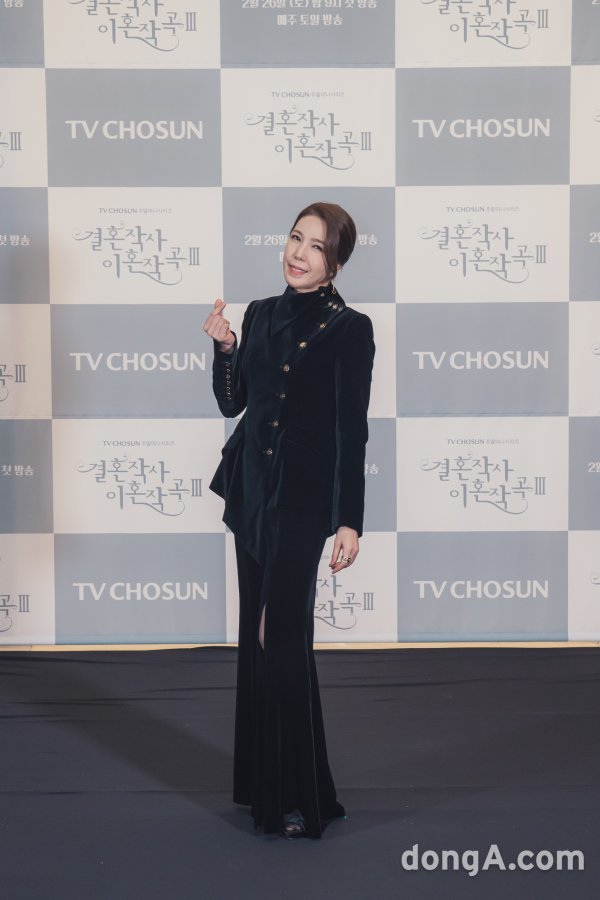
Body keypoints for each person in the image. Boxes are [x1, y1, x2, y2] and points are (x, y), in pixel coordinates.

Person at [203, 202, 376, 840]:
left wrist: (349, 520)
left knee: (281, 638)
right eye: (295, 238)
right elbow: (234, 403)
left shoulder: (350, 329)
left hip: (302, 503)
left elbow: (351, 431)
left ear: (336, 263)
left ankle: (302, 797)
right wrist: (226, 347)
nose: (298, 254)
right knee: (258, 639)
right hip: (252, 492)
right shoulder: (259, 313)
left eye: (316, 246)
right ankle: (263, 788)